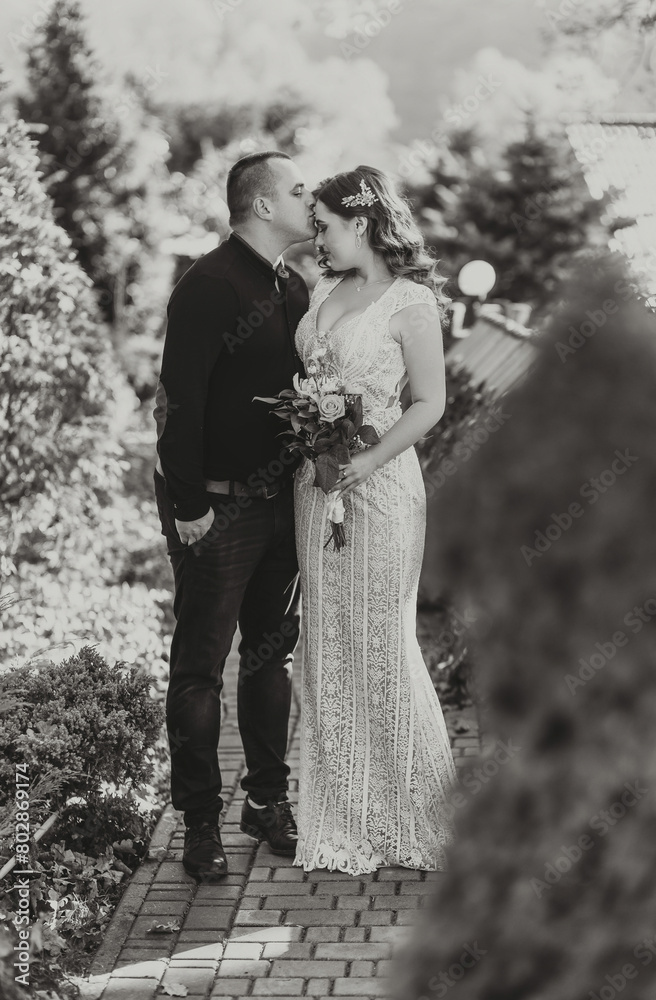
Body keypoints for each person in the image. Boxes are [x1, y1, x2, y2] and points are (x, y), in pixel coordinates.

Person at [153, 150, 316, 881]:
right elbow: (178, 399)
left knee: (267, 659)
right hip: (215, 509)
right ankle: (197, 825)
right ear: (259, 205)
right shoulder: (208, 284)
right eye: (300, 189)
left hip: (282, 505)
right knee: (198, 671)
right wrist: (188, 504)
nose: (312, 199)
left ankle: (265, 800)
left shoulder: (292, 285)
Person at [293, 165, 458, 875]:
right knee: (326, 636)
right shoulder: (324, 289)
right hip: (316, 485)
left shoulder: (410, 302)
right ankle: (341, 811)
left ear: (359, 223)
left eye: (324, 226)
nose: (317, 239)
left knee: (382, 640)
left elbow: (428, 402)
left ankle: (414, 812)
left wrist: (367, 460)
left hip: (381, 486)